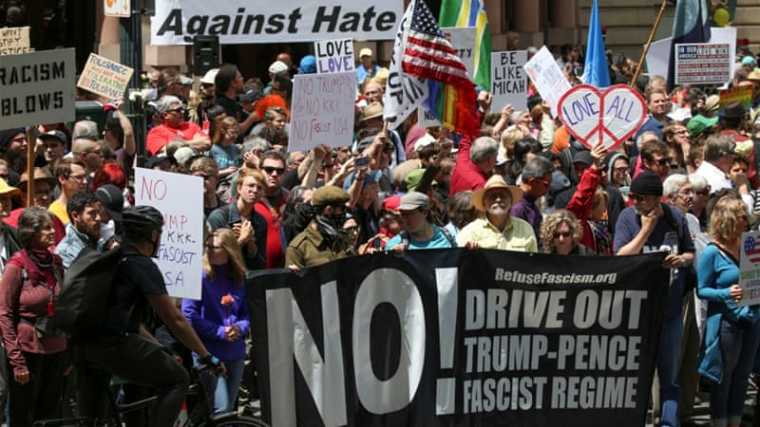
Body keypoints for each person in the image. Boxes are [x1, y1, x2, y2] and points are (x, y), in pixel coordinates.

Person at [76, 206, 225, 427]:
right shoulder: (141, 265)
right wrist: (205, 355)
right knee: (179, 379)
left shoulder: (112, 258)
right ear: (153, 235)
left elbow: (129, 320)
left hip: (85, 345)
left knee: (95, 419)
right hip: (113, 345)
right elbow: (173, 318)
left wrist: (159, 347)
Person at [614, 171, 695, 427]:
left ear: (656, 199)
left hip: (669, 312)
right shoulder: (627, 218)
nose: (635, 202)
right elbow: (621, 257)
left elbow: (690, 252)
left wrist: (682, 260)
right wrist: (646, 231)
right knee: (637, 378)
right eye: (632, 197)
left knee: (669, 377)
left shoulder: (675, 217)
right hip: (638, 315)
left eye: (640, 198)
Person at [0, 208, 67, 426]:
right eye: (46, 228)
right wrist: (17, 361)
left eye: (52, 227)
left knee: (48, 415)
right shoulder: (16, 266)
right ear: (31, 233)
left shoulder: (56, 263)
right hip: (27, 350)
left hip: (55, 349)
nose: (51, 232)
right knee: (22, 414)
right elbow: (4, 313)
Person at [697, 196, 759, 427]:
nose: (747, 220)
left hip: (752, 319)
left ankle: (735, 422)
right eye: (742, 216)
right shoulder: (712, 252)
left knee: (742, 378)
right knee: (723, 379)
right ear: (729, 220)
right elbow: (702, 290)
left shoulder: (751, 245)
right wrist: (725, 293)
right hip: (727, 323)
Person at [182, 228, 250, 414]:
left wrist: (240, 328)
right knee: (221, 410)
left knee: (228, 409)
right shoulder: (199, 275)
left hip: (235, 352)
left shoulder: (240, 277)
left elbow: (247, 313)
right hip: (209, 352)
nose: (209, 250)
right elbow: (189, 315)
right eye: (207, 246)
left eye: (215, 247)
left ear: (229, 250)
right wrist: (220, 331)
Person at [456, 175, 537, 252]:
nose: (498, 200)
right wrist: (468, 252)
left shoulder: (525, 229)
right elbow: (460, 261)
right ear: (484, 203)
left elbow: (533, 263)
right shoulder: (470, 232)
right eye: (492, 196)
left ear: (511, 201)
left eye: (503, 195)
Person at [207, 168, 268, 271]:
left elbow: (260, 264)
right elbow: (215, 258)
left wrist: (251, 242)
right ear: (239, 188)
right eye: (251, 185)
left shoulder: (260, 221)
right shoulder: (219, 217)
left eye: (259, 188)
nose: (255, 190)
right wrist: (241, 240)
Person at [286, 185, 353, 268]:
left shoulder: (341, 239)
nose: (344, 214)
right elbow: (293, 279)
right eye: (342, 209)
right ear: (328, 210)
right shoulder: (299, 248)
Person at [385, 192, 456, 251]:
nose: (405, 219)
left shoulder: (447, 236)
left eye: (410, 214)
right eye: (403, 214)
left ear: (425, 212)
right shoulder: (394, 245)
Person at [146, 95, 211, 156]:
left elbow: (206, 142)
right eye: (178, 110)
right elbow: (166, 151)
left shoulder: (191, 126)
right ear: (165, 115)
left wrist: (178, 144)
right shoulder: (156, 132)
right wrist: (195, 142)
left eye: (182, 109)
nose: (182, 112)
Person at [55, 192, 103, 269]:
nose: (98, 218)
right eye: (92, 213)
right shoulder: (66, 252)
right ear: (75, 216)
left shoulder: (98, 240)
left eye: (98, 212)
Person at [511, 156, 553, 239]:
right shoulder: (517, 208)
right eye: (546, 184)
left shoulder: (530, 203)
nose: (548, 188)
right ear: (532, 181)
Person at [48, 159, 88, 226]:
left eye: (85, 176)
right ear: (62, 179)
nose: (85, 181)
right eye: (78, 177)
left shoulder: (90, 205)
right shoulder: (54, 213)